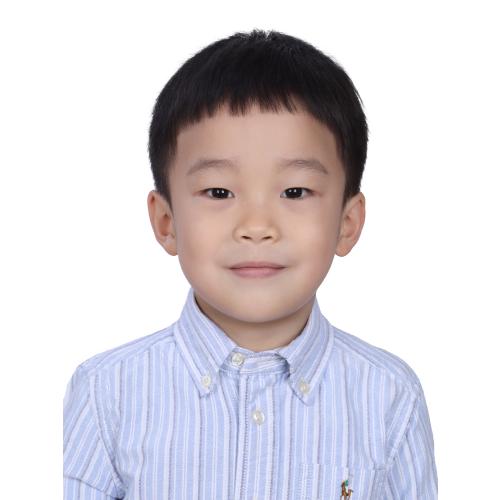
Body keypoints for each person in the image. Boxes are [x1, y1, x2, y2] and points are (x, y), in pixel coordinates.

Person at [63, 28, 438, 499]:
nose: (257, 226)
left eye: (295, 191)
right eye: (219, 192)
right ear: (166, 221)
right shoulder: (107, 393)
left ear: (347, 223)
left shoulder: (388, 397)